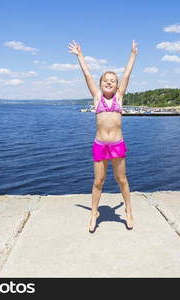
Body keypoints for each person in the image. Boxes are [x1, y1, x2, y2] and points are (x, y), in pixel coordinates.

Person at [68, 40, 138, 233]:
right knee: (98, 181)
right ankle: (94, 214)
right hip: (100, 145)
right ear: (100, 85)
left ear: (117, 86)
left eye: (112, 81)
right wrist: (80, 55)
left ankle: (129, 210)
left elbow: (127, 74)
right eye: (105, 80)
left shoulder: (119, 97)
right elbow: (87, 75)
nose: (109, 82)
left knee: (121, 180)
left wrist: (133, 54)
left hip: (117, 144)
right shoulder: (97, 98)